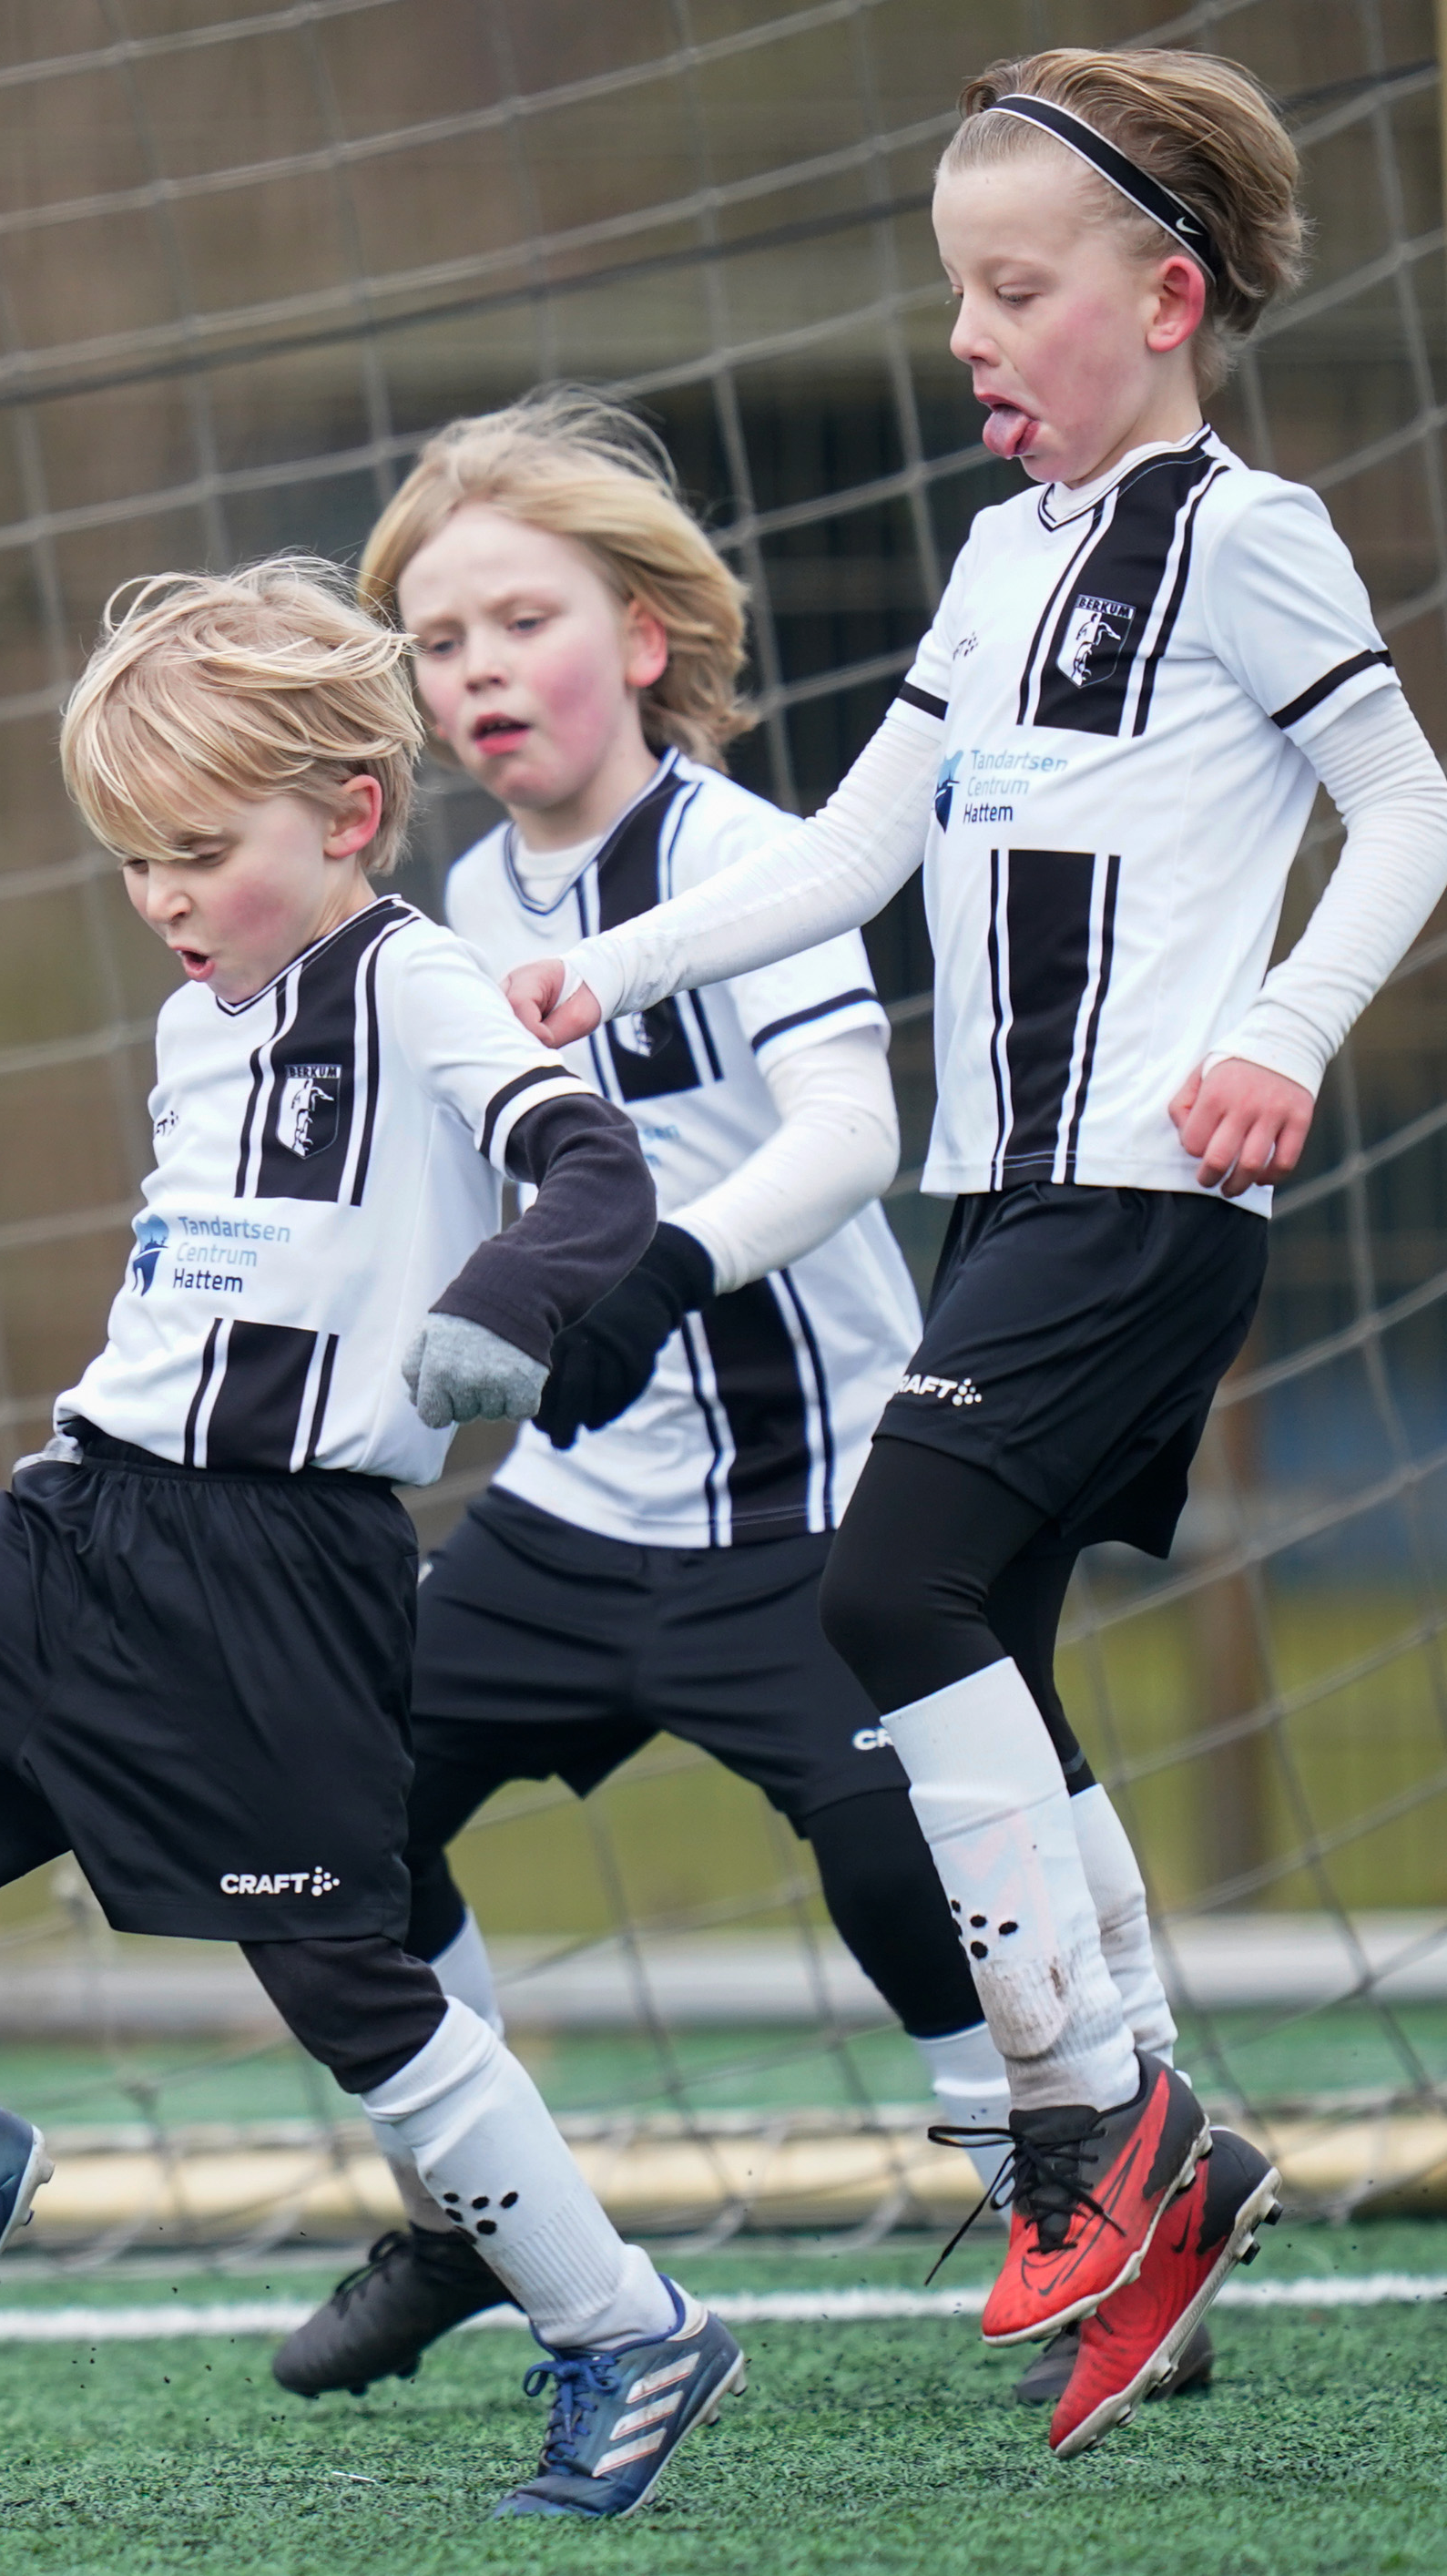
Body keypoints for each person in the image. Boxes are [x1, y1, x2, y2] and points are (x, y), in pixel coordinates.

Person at [501, 49, 1447, 2457]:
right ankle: (1171, 2161)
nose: (970, 337)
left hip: (1151, 1201)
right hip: (1007, 1202)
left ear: (1165, 295)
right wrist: (599, 973)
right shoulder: (1008, 555)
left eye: (1012, 291)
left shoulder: (1247, 535)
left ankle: (1089, 2138)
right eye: (956, 296)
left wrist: (1288, 1026)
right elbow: (842, 856)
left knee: (879, 1597)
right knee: (981, 1661)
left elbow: (1410, 808)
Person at [0, 557, 745, 2520]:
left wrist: (495, 1316)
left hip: (280, 1566)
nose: (164, 899)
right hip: (86, 1509)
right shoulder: (204, 1023)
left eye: (198, 851)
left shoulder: (411, 977)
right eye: (132, 863)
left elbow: (590, 1170)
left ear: (346, 816)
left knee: (345, 1985)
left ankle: (623, 2329)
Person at [266, 385, 1047, 2402]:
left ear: (635, 634)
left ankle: (1076, 2200)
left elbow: (846, 1133)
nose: (475, 671)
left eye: (517, 619)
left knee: (908, 1865)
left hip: (810, 1512)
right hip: (570, 1512)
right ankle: (473, 2210)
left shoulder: (743, 859)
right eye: (437, 644)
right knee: (328, 1808)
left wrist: (665, 1268)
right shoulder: (450, 922)